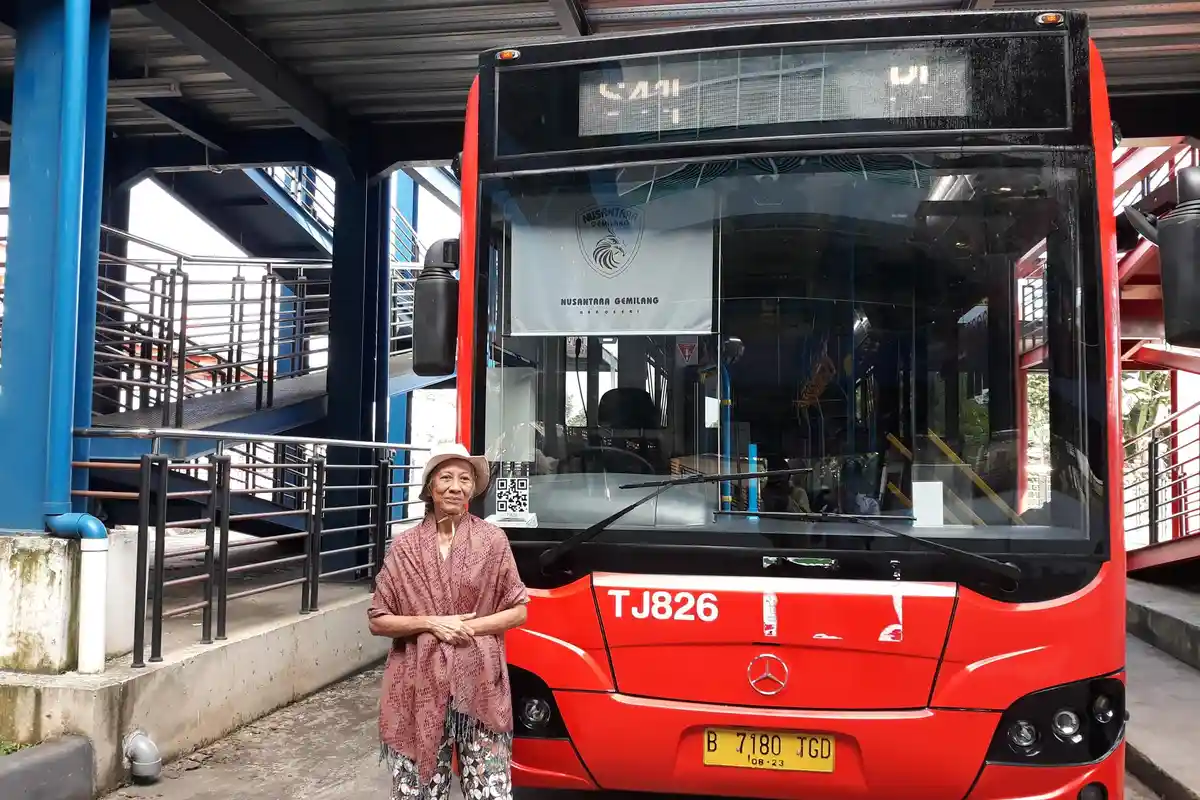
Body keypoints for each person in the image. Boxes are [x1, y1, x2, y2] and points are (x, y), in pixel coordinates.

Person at [368, 442, 529, 800]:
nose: (456, 487)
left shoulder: (492, 540)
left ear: (473, 488)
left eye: (465, 479)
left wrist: (466, 628)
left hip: (480, 684)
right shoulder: (405, 547)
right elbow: (379, 620)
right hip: (416, 685)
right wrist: (432, 623)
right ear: (430, 488)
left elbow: (519, 610)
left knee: (490, 790)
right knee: (418, 792)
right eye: (446, 478)